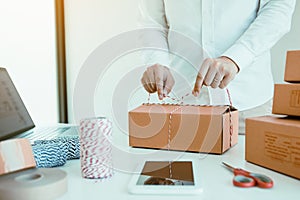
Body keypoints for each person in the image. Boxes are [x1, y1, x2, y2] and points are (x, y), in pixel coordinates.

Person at [139, 0, 296, 134]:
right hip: (180, 106)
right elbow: (152, 22)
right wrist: (157, 60)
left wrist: (236, 58)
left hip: (248, 105)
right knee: (181, 169)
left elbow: (278, 7)